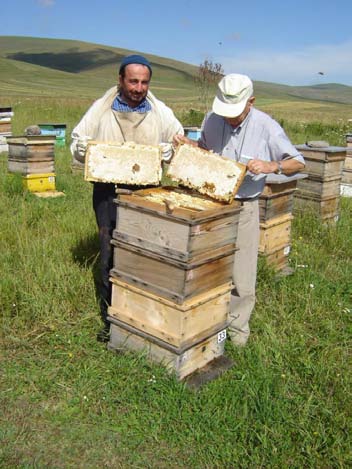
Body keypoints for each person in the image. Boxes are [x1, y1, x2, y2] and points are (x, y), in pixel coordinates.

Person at [174, 73, 305, 346]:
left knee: (242, 277)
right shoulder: (212, 119)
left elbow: (298, 162)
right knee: (206, 270)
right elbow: (207, 148)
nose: (229, 119)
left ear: (251, 102)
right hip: (210, 203)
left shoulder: (266, 127)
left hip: (244, 207)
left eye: (234, 113)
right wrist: (190, 146)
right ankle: (206, 326)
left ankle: (237, 334)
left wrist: (272, 166)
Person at [71, 54, 184, 341]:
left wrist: (175, 147)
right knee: (110, 254)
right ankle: (112, 320)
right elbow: (76, 142)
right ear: (120, 80)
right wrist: (85, 149)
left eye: (144, 82)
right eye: (133, 81)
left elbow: (178, 137)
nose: (138, 87)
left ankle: (144, 317)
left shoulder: (159, 110)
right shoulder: (102, 108)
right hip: (108, 191)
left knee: (144, 254)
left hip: (147, 192)